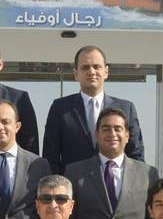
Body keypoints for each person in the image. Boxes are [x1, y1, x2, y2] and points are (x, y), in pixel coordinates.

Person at [43, 45, 146, 174]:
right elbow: (50, 156)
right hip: (72, 183)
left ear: (106, 72)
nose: (91, 72)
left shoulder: (126, 108)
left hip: (114, 182)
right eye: (85, 67)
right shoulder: (60, 108)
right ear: (76, 74)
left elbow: (136, 154)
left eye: (97, 67)